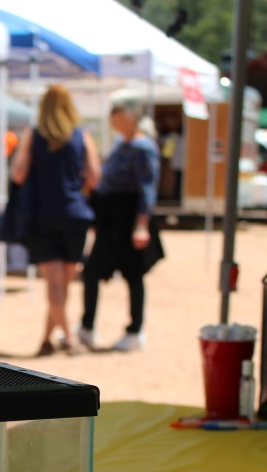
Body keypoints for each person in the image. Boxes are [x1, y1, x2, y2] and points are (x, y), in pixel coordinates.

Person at [10, 84, 101, 356]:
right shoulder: (82, 135)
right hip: (75, 215)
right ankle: (48, 340)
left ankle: (67, 339)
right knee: (63, 284)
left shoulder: (34, 135)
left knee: (54, 284)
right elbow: (95, 177)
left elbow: (18, 174)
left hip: (43, 216)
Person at [78, 97, 161, 353]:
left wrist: (141, 225)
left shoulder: (143, 146)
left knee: (133, 274)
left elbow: (147, 189)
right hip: (110, 219)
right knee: (92, 272)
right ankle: (87, 327)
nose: (112, 118)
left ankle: (135, 331)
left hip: (128, 218)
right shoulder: (120, 142)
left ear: (130, 115)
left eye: (117, 113)